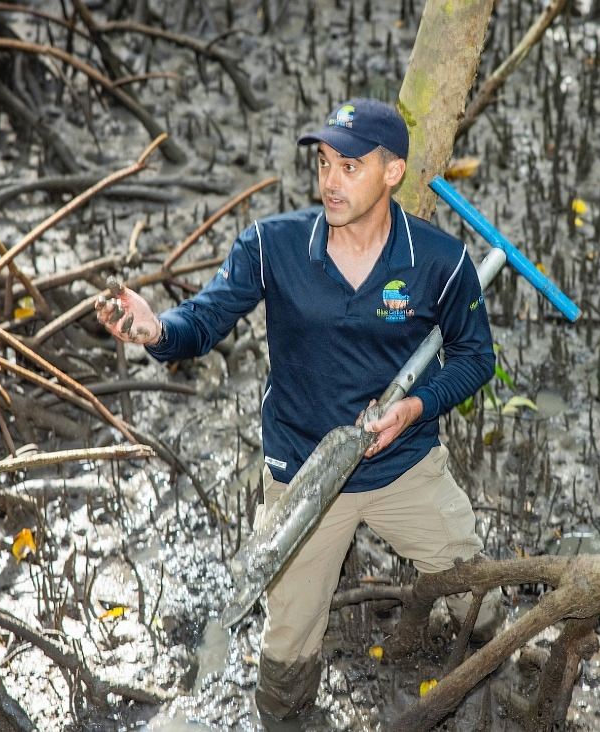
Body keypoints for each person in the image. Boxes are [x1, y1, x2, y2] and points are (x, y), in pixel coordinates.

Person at [95, 98, 502, 724]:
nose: (331, 182)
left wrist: (416, 406)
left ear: (393, 173)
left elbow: (476, 359)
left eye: (350, 166)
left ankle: (486, 682)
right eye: (323, 164)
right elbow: (201, 322)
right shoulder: (271, 246)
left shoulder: (439, 263)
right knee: (285, 648)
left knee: (477, 590)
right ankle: (287, 717)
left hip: (404, 469)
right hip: (303, 477)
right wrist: (155, 330)